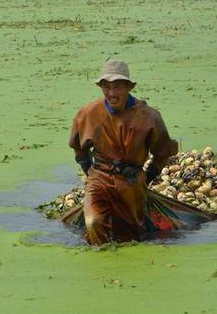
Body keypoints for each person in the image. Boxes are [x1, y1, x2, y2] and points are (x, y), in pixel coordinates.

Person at [68, 60, 178, 245]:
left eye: (118, 87)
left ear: (128, 87)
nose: (112, 93)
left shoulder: (149, 117)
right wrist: (89, 171)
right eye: (106, 87)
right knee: (93, 222)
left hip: (131, 181)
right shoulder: (88, 113)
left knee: (130, 235)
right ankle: (102, 262)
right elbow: (79, 148)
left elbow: (162, 153)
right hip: (99, 178)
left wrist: (147, 177)